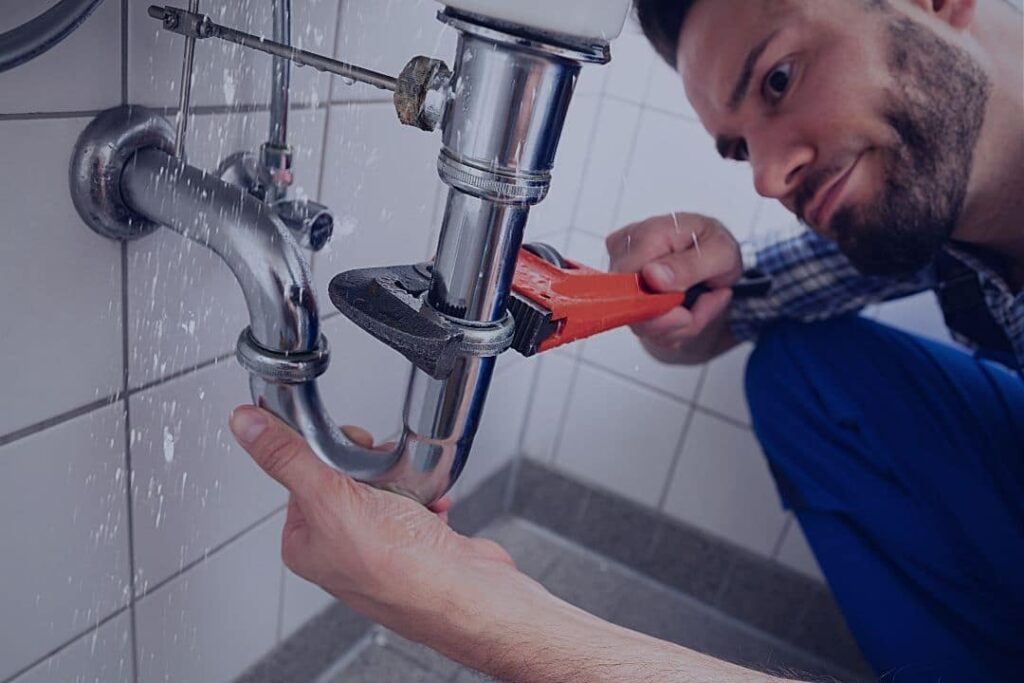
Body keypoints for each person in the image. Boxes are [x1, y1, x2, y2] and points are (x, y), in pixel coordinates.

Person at [229, 0, 1024, 680]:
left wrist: (476, 611)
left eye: (780, 78)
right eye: (741, 146)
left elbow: (498, 623)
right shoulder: (940, 205)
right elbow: (729, 312)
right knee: (807, 377)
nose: (769, 177)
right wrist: (666, 298)